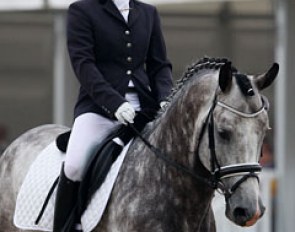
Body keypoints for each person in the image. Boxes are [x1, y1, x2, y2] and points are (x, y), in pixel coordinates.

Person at [53, 0, 173, 231]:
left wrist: (165, 98)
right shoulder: (83, 10)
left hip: (144, 109)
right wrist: (114, 103)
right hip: (99, 108)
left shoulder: (148, 13)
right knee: (75, 166)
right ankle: (68, 226)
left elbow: (159, 65)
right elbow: (83, 64)